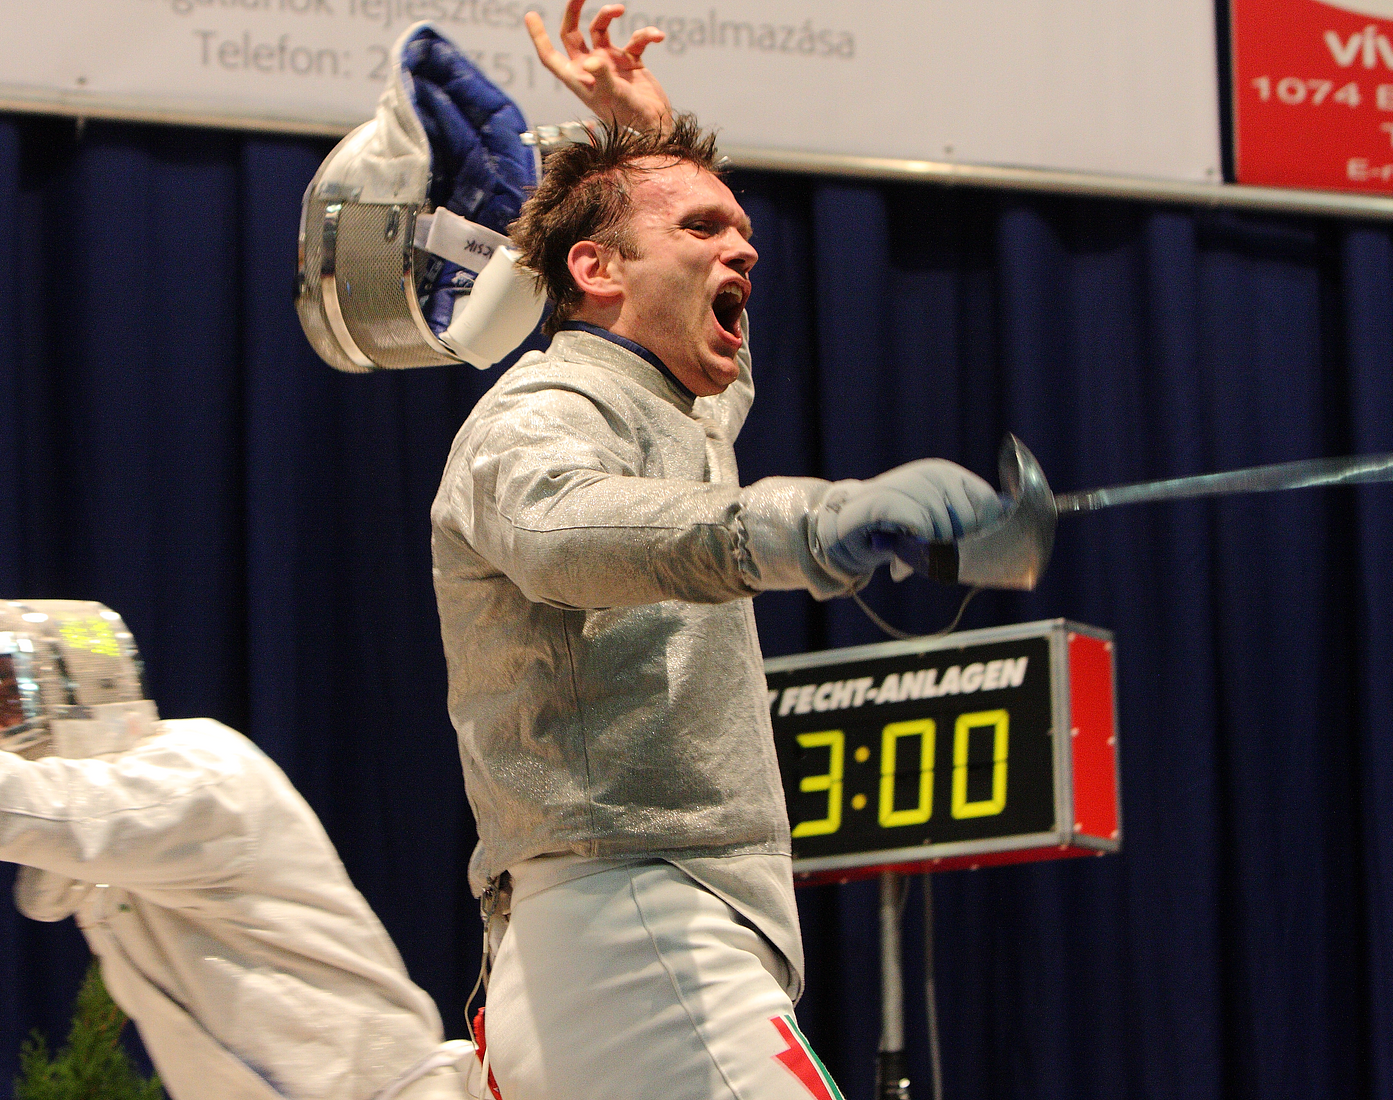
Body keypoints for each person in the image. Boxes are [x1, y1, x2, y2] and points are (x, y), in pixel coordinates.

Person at [429, 5, 1006, 1098]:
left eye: (741, 230)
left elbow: (712, 389)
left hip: (620, 946)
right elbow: (562, 530)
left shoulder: (672, 412)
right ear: (595, 268)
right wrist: (806, 522)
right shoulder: (538, 411)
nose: (743, 247)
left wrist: (654, 137)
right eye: (701, 226)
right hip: (630, 930)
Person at [0, 598, 472, 1100]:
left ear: (75, 676)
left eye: (1, 696)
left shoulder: (198, 772)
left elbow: (45, 812)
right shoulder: (104, 859)